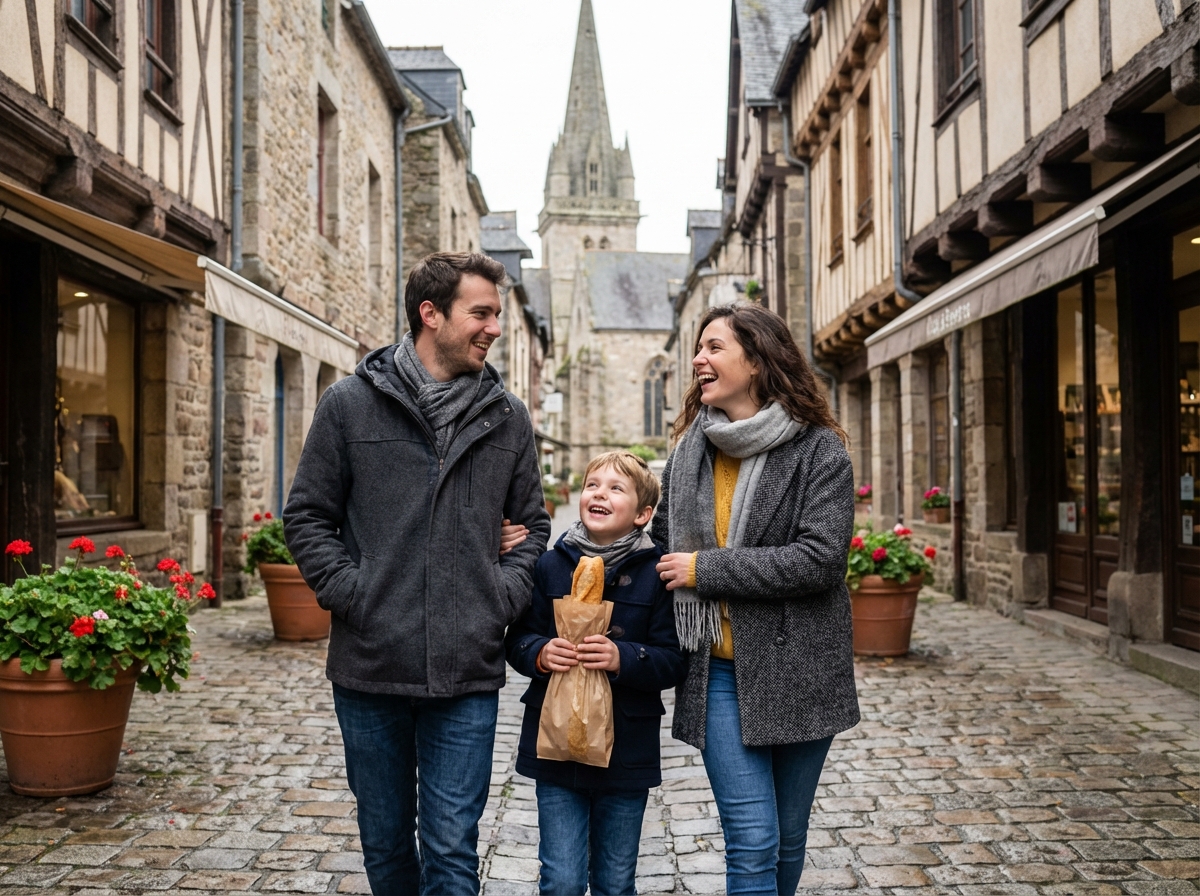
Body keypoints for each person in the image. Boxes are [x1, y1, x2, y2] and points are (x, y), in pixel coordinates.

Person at [283, 252, 551, 895]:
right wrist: (356, 595)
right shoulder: (349, 404)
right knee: (385, 846)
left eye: (496, 313)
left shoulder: (507, 416)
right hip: (370, 668)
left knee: (452, 851)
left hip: (466, 670)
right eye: (480, 313)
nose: (494, 327)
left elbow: (532, 526)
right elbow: (307, 516)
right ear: (431, 314)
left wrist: (499, 597)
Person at [652, 303, 859, 896]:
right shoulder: (692, 449)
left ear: (759, 359)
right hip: (716, 671)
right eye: (699, 347)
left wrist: (706, 570)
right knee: (754, 840)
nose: (698, 359)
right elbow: (663, 545)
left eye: (714, 347)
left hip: (800, 668)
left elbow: (819, 561)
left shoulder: (819, 451)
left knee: (789, 840)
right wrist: (589, 545)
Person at [506, 451, 685, 896]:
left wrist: (625, 657)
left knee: (615, 880)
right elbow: (517, 637)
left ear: (643, 514)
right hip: (557, 746)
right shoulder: (550, 564)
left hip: (625, 750)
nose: (599, 493)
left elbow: (674, 658)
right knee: (561, 880)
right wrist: (541, 652)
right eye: (592, 485)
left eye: (615, 488)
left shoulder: (657, 571)